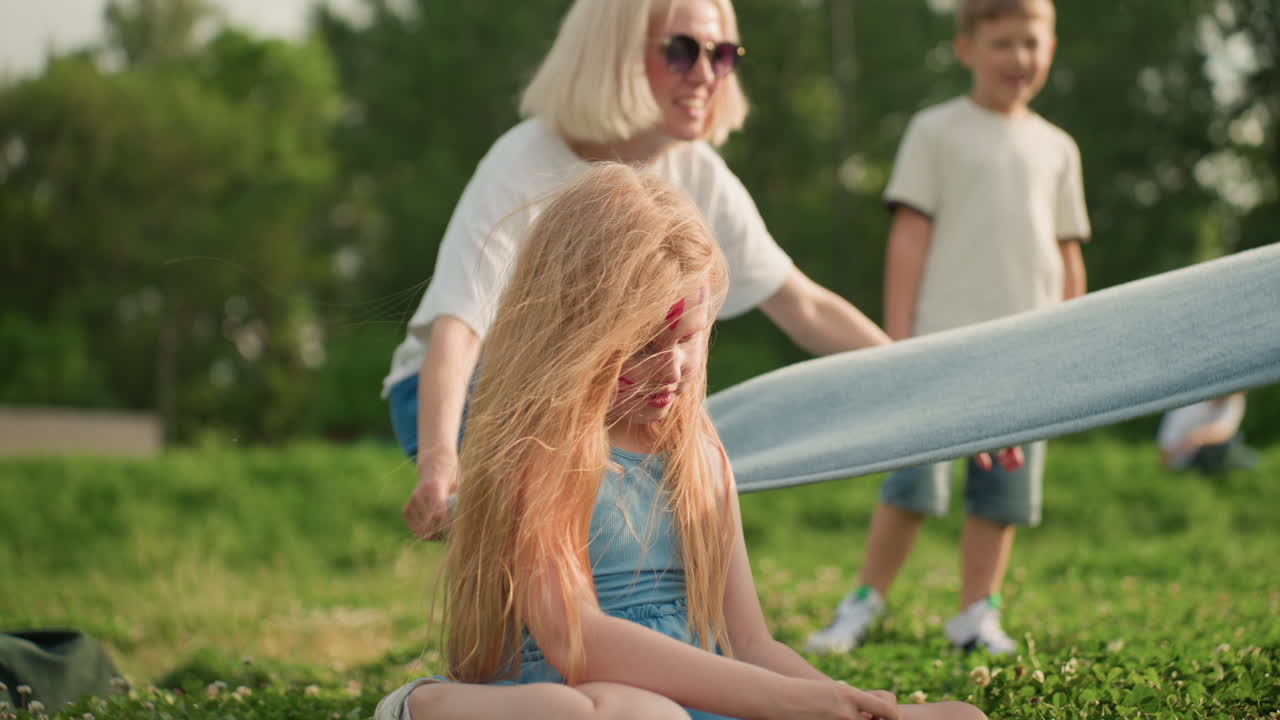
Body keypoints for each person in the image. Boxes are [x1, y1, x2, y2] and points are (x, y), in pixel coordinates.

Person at [375, 163, 986, 720]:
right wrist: (789, 701)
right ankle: (426, 708)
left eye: (689, 337)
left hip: (696, 694)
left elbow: (748, 642)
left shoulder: (700, 454)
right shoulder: (546, 449)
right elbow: (578, 641)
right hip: (573, 695)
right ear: (576, 327)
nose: (672, 366)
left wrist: (838, 703)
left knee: (960, 718)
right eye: (643, 344)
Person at [383, 0, 895, 541]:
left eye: (721, 55)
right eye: (681, 51)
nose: (704, 74)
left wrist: (925, 384)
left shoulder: (696, 172)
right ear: (613, 56)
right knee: (574, 565)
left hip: (598, 395)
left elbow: (802, 304)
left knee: (634, 545)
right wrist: (440, 461)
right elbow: (459, 328)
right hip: (466, 395)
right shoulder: (524, 162)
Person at [805, 0, 1090, 657]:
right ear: (966, 48)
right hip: (940, 347)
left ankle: (975, 615)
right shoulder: (935, 131)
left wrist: (1073, 342)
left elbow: (1068, 252)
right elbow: (909, 238)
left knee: (1003, 493)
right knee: (912, 484)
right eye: (1002, 43)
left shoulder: (1057, 148)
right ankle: (863, 602)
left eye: (1031, 43)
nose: (1019, 58)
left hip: (1028, 355)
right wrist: (900, 343)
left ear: (1049, 46)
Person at [1156, 392, 1259, 474]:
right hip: (1186, 456)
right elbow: (1166, 446)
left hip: (1210, 446)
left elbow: (1227, 430)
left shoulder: (1234, 398)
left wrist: (1197, 437)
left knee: (1241, 447)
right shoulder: (1185, 406)